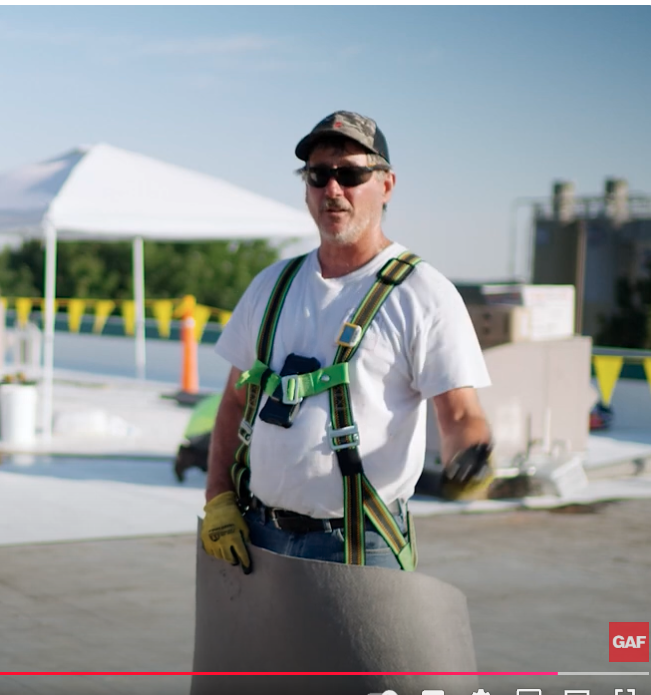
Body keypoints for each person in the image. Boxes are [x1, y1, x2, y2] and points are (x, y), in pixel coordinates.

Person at [202, 111, 494, 572]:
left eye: (350, 174)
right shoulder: (271, 285)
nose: (332, 190)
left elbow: (460, 416)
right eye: (319, 175)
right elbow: (235, 405)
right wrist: (218, 499)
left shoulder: (422, 294)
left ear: (387, 185)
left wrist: (472, 454)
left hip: (361, 546)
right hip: (257, 535)